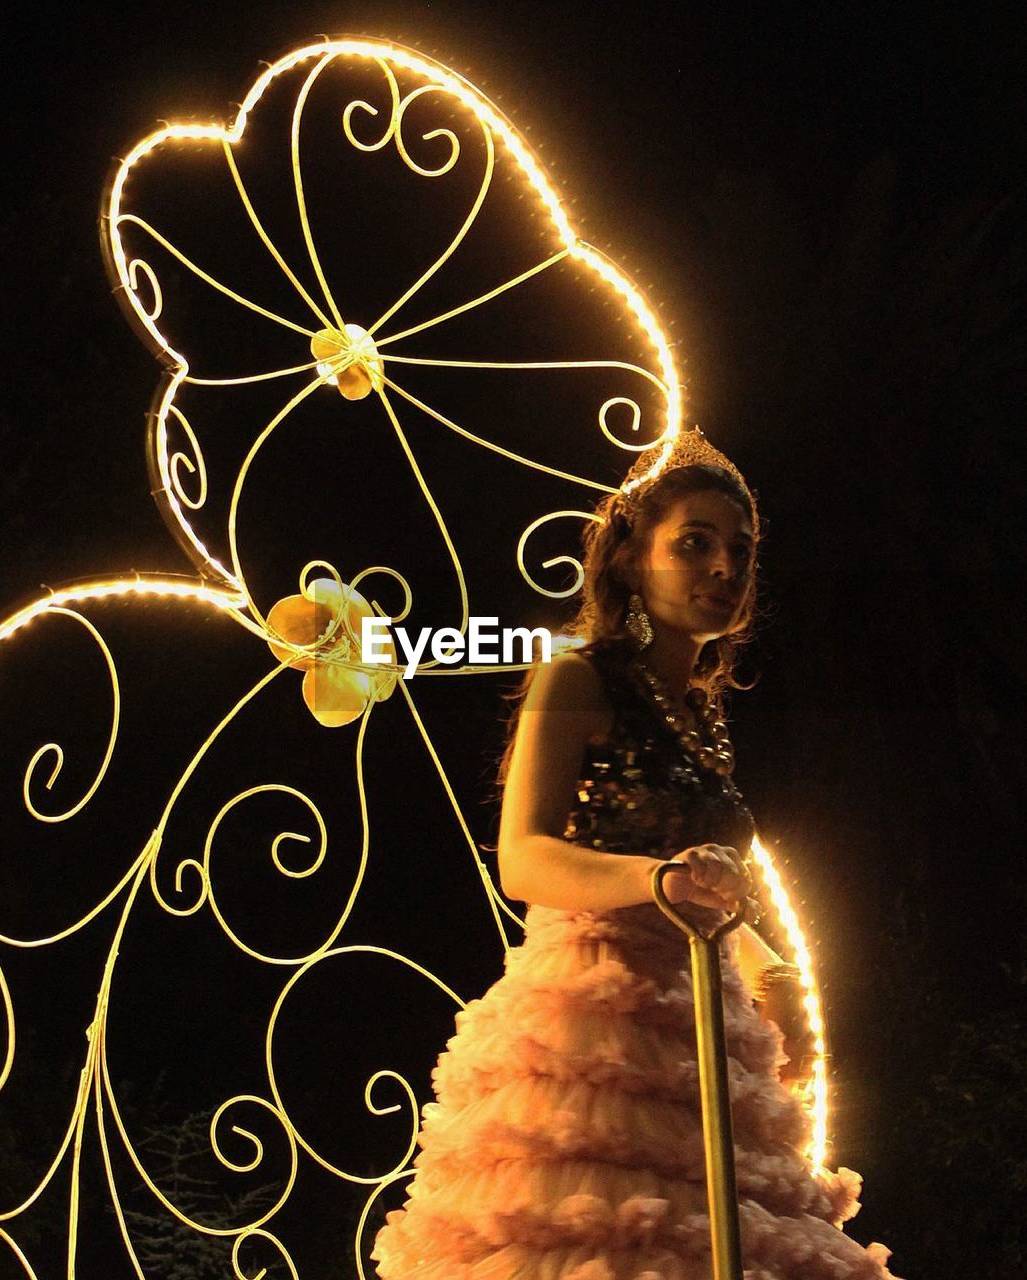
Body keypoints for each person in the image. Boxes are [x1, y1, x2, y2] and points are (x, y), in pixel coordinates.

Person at [372, 429, 896, 1280]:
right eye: (694, 543)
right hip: (598, 1019)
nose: (723, 567)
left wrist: (771, 975)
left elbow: (707, 887)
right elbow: (525, 856)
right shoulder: (578, 676)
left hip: (705, 1020)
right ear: (629, 560)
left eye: (739, 549)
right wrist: (655, 881)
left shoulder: (703, 714)